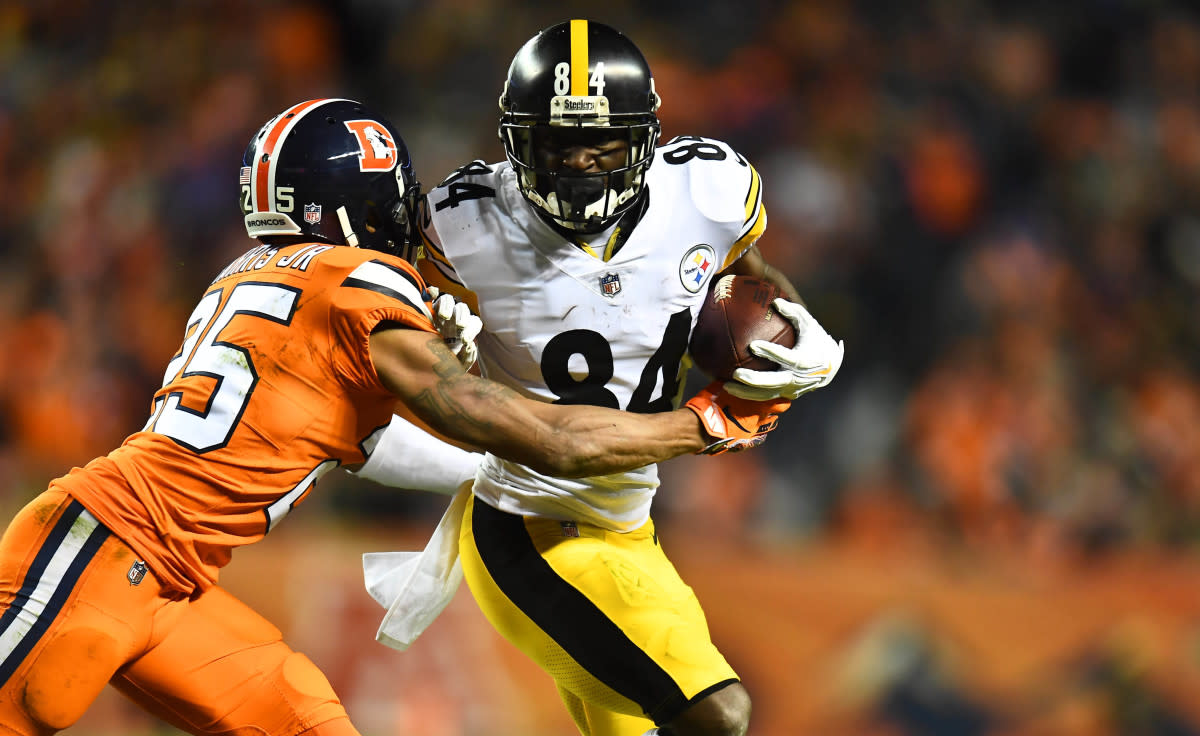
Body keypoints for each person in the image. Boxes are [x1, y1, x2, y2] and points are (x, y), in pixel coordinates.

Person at [0, 98, 790, 736]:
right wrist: (705, 426)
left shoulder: (246, 275)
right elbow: (545, 435)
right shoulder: (360, 284)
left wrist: (447, 386)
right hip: (98, 548)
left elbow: (363, 441)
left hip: (169, 580)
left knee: (305, 720)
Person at [370, 20, 846, 736]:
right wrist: (711, 423)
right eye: (558, 144)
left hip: (630, 529)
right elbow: (557, 444)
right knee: (717, 715)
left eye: (602, 144)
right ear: (515, 142)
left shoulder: (708, 194)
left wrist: (794, 336)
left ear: (646, 139)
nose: (581, 165)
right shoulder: (457, 230)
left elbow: (751, 284)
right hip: (527, 527)